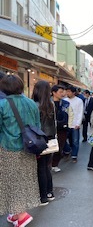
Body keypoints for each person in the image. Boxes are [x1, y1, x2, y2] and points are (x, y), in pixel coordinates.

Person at [0, 75, 40, 227]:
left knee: (11, 181)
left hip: (9, 148)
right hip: (29, 147)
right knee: (24, 179)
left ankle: (21, 215)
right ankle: (15, 213)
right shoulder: (31, 103)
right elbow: (37, 126)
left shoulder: (2, 104)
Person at [32, 80, 56, 206]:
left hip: (39, 139)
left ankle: (43, 197)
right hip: (50, 139)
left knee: (41, 167)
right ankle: (49, 192)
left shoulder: (34, 105)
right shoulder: (50, 104)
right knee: (46, 166)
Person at [51, 85, 73, 173]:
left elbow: (71, 115)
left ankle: (55, 164)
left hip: (63, 129)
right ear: (54, 93)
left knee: (60, 147)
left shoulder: (65, 103)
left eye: (63, 92)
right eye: (60, 92)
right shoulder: (48, 103)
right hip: (51, 128)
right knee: (49, 147)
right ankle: (49, 164)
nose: (63, 94)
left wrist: (69, 126)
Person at [64, 85, 84, 162]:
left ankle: (74, 156)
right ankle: (68, 150)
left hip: (75, 124)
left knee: (75, 141)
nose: (67, 93)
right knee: (64, 140)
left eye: (69, 91)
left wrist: (78, 124)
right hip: (66, 124)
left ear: (73, 92)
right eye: (66, 91)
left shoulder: (79, 101)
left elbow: (80, 113)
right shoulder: (64, 100)